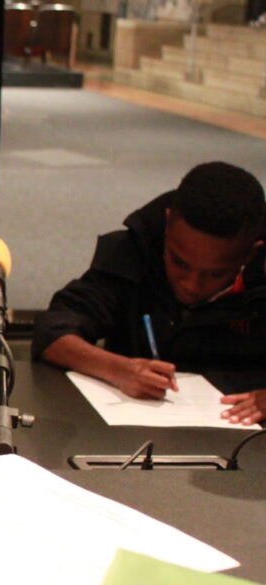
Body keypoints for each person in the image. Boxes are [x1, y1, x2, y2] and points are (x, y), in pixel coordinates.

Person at [33, 161, 266, 424]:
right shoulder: (136, 251)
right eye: (179, 263)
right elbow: (52, 331)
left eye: (215, 274)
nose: (191, 285)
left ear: (251, 253)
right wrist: (118, 370)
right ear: (168, 226)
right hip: (131, 436)